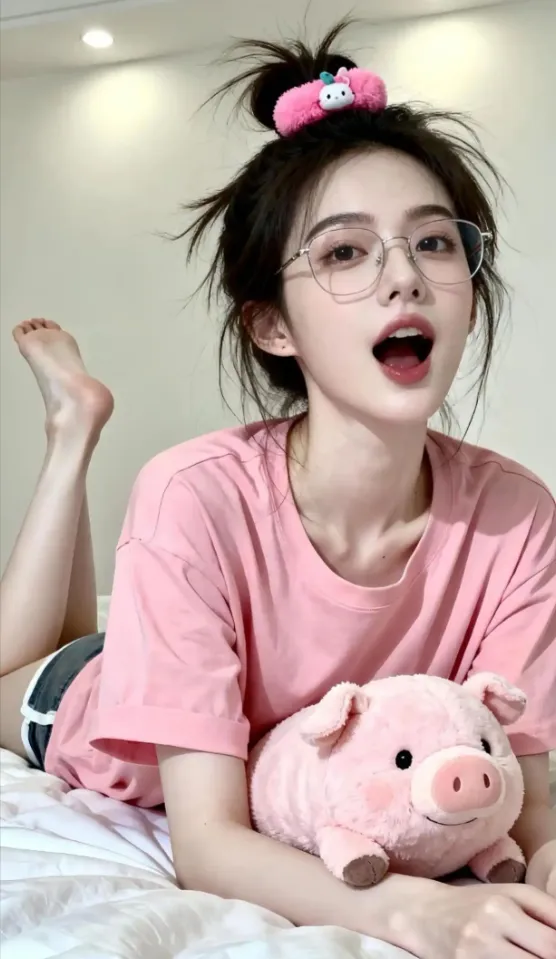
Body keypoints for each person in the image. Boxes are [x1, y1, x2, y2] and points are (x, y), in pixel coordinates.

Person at [1, 20, 555, 959]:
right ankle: (72, 436)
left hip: (177, 651)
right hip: (84, 702)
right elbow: (208, 842)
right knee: (23, 663)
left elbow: (530, 802)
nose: (403, 276)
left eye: (434, 241)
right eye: (344, 253)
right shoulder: (193, 493)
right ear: (271, 326)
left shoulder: (518, 514)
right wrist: (414, 914)